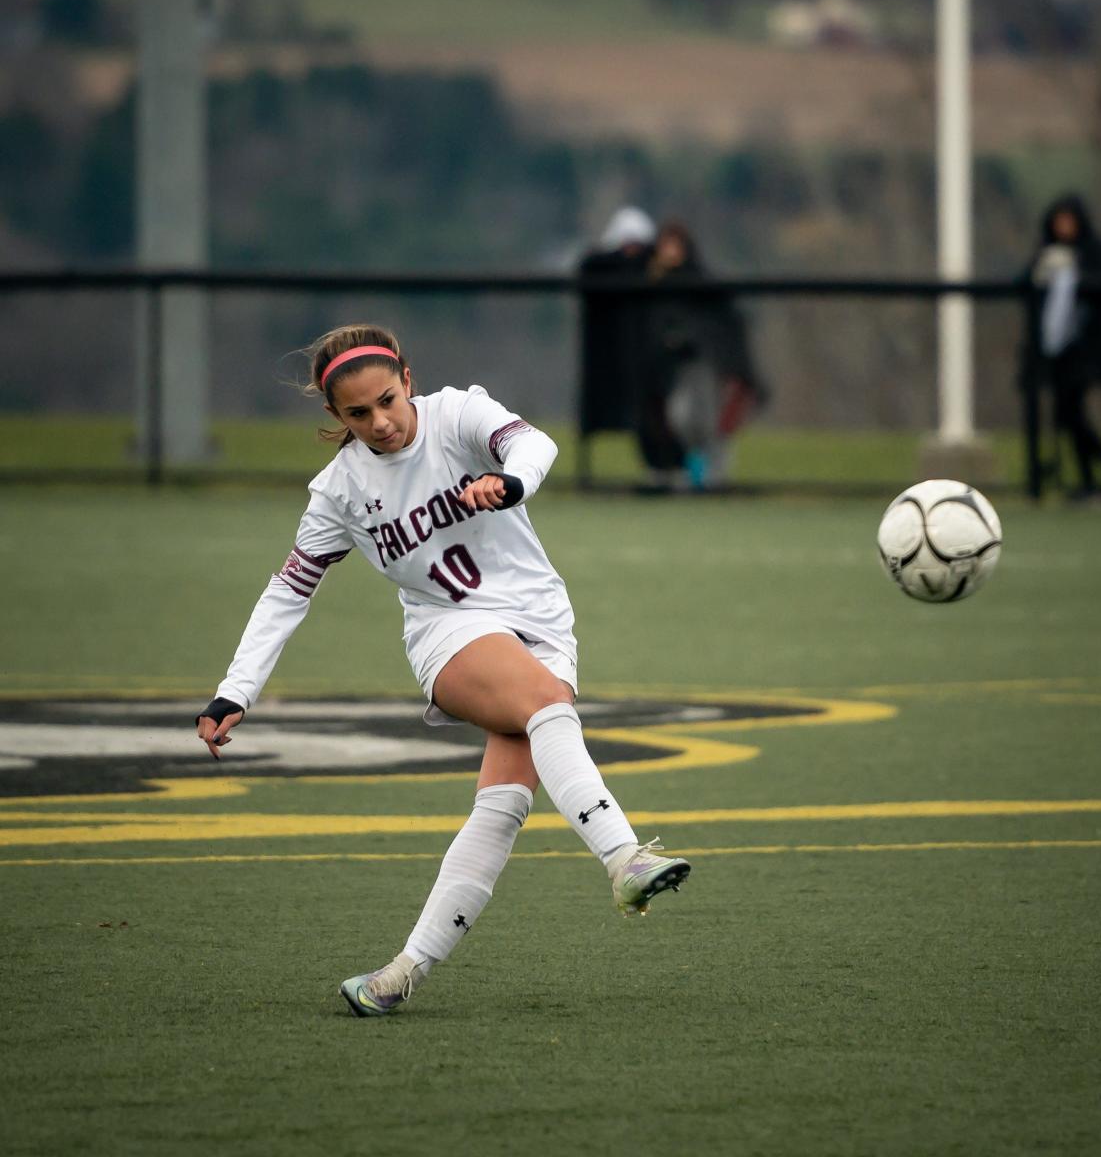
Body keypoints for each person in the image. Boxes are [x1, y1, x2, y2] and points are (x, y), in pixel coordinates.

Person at [194, 324, 691, 1017]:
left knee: (503, 807)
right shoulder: (339, 493)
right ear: (335, 417)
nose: (381, 422)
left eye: (388, 400)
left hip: (542, 623)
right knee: (548, 705)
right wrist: (235, 689)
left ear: (407, 377)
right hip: (448, 634)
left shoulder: (457, 416)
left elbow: (533, 444)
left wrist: (510, 480)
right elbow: (288, 591)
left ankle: (399, 974)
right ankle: (624, 858)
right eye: (358, 414)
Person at [645, 220, 765, 489]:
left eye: (674, 244)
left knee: (706, 420)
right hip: (670, 367)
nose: (669, 251)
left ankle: (712, 476)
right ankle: (695, 469)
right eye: (665, 245)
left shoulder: (698, 278)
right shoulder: (653, 282)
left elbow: (721, 321)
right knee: (680, 418)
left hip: (702, 363)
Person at [1019, 194, 1101, 502]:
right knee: (1066, 415)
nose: (1064, 226)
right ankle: (1092, 479)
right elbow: (1023, 281)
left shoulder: (1094, 251)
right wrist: (1040, 270)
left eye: (1069, 220)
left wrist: (1077, 274)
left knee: (1072, 413)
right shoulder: (1047, 251)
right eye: (1059, 220)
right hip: (1054, 351)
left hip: (1084, 349)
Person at [577, 207, 656, 479]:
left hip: (648, 361)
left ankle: (663, 470)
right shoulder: (599, 269)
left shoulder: (655, 273)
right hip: (607, 360)